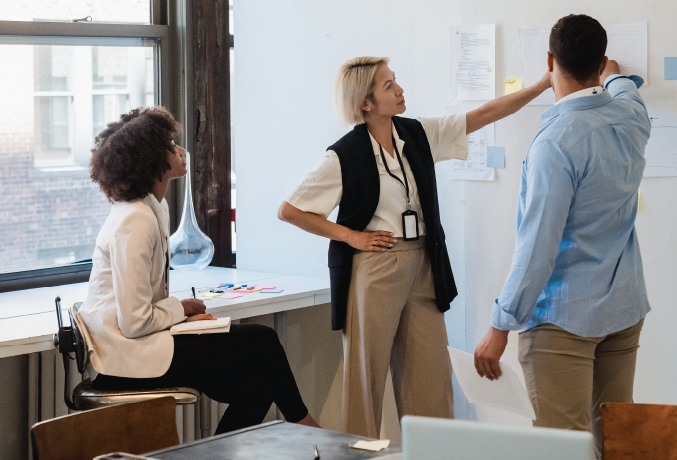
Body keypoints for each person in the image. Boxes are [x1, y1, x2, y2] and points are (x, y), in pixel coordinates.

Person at [278, 56, 551, 437]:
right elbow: (290, 210)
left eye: (396, 81)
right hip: (375, 267)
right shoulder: (343, 155)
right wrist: (353, 237)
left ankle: (432, 451)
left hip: (424, 263)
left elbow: (484, 114)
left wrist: (541, 86)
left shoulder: (417, 133)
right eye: (388, 86)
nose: (400, 90)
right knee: (365, 379)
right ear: (365, 102)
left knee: (430, 376)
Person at [79, 106, 319, 435]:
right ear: (150, 159)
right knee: (263, 339)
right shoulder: (135, 220)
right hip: (126, 357)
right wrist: (180, 310)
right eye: (170, 146)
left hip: (140, 344)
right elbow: (135, 322)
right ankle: (308, 429)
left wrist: (183, 315)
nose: (181, 151)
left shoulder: (150, 210)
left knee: (259, 386)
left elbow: (142, 309)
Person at [473, 14, 651, 458]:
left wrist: (500, 324)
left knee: (562, 447)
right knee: (618, 441)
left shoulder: (556, 142)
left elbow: (538, 250)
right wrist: (616, 77)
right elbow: (626, 87)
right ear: (600, 61)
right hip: (624, 308)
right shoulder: (631, 116)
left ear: (549, 60)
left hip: (563, 320)